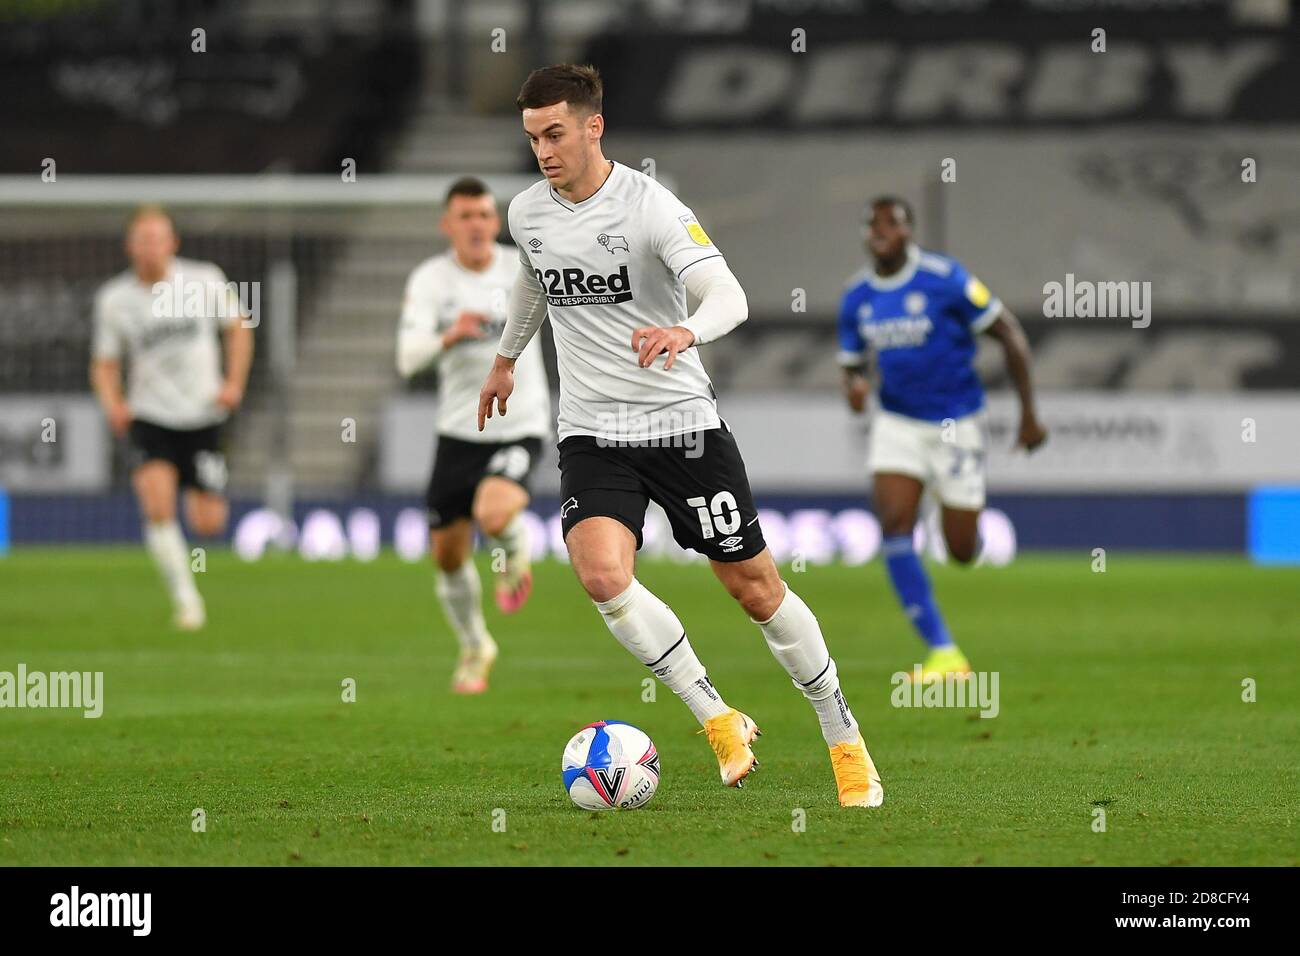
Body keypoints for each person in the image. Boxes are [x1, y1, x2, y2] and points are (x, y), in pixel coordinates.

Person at [478, 64, 882, 807]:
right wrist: (505, 359)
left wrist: (684, 330)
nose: (543, 150)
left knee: (753, 588)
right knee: (601, 574)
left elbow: (729, 293)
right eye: (533, 137)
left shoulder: (649, 206)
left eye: (556, 133)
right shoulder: (526, 212)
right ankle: (717, 718)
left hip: (681, 429)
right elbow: (534, 280)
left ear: (594, 126)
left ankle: (842, 734)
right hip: (593, 431)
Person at [838, 197, 1047, 678]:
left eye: (893, 222)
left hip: (957, 422)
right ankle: (943, 651)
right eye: (873, 222)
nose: (881, 229)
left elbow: (1010, 333)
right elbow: (852, 368)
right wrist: (854, 390)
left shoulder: (944, 278)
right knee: (892, 521)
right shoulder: (857, 297)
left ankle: (965, 533)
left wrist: (1029, 415)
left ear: (909, 231)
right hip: (897, 422)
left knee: (959, 550)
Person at [397, 177, 551, 694]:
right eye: (466, 216)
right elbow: (406, 359)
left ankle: (515, 547)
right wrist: (449, 334)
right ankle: (475, 644)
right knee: (447, 555)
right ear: (448, 225)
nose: (478, 225)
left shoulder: (522, 266)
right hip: (458, 432)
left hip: (519, 423)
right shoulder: (429, 281)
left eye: (485, 215)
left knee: (493, 511)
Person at [91, 205, 254, 630]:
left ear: (173, 243)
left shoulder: (205, 280)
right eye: (142, 239)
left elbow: (239, 328)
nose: (150, 248)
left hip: (203, 414)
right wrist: (114, 404)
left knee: (208, 523)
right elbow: (105, 363)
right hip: (151, 415)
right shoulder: (115, 299)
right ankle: (187, 600)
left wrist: (234, 383)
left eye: (157, 238)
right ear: (130, 246)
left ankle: (195, 496)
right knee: (157, 504)